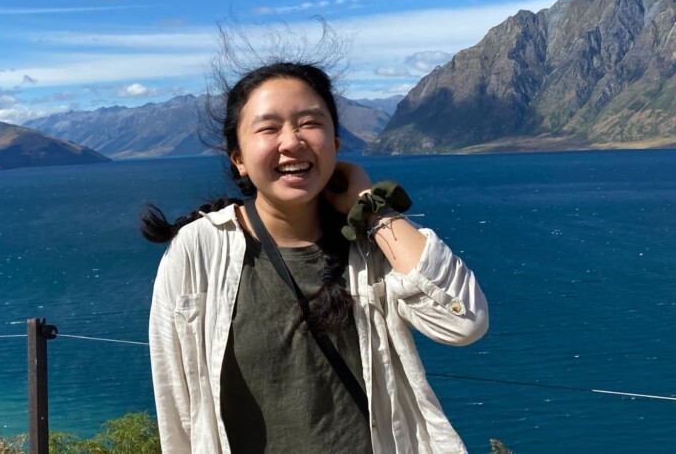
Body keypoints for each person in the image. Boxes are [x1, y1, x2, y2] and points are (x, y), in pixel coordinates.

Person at [142, 60, 489, 454]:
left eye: (310, 123)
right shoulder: (198, 252)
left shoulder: (369, 246)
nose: (291, 141)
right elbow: (177, 406)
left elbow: (464, 322)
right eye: (269, 128)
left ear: (336, 147)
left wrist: (371, 208)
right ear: (238, 157)